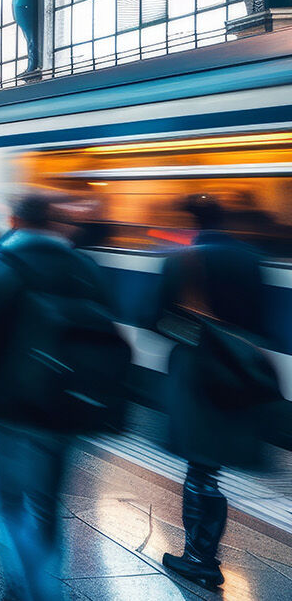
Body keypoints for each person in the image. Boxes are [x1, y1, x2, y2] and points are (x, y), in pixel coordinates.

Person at [0, 194, 123, 601]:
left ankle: (35, 588)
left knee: (8, 503)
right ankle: (39, 580)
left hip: (8, 411)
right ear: (55, 222)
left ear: (15, 219)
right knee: (47, 505)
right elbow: (109, 336)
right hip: (68, 411)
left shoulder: (2, 267)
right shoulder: (85, 267)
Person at [155, 195, 277, 590]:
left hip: (197, 373)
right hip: (238, 372)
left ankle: (199, 557)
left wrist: (193, 338)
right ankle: (203, 553)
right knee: (212, 467)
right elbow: (261, 321)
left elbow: (157, 317)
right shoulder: (250, 258)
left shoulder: (181, 259)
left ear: (190, 221)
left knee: (200, 468)